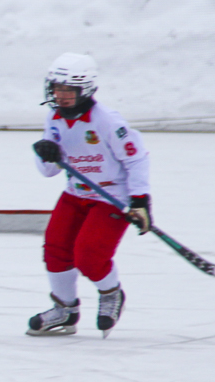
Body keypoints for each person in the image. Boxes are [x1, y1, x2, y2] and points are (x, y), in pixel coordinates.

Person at [27, 52, 151, 338]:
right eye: (57, 88)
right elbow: (49, 172)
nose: (62, 95)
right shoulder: (54, 118)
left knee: (88, 255)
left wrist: (141, 201)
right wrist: (46, 154)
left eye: (70, 89)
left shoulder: (107, 121)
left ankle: (111, 293)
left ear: (86, 90)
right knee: (55, 249)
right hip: (75, 194)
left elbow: (136, 158)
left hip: (111, 198)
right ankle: (65, 309)